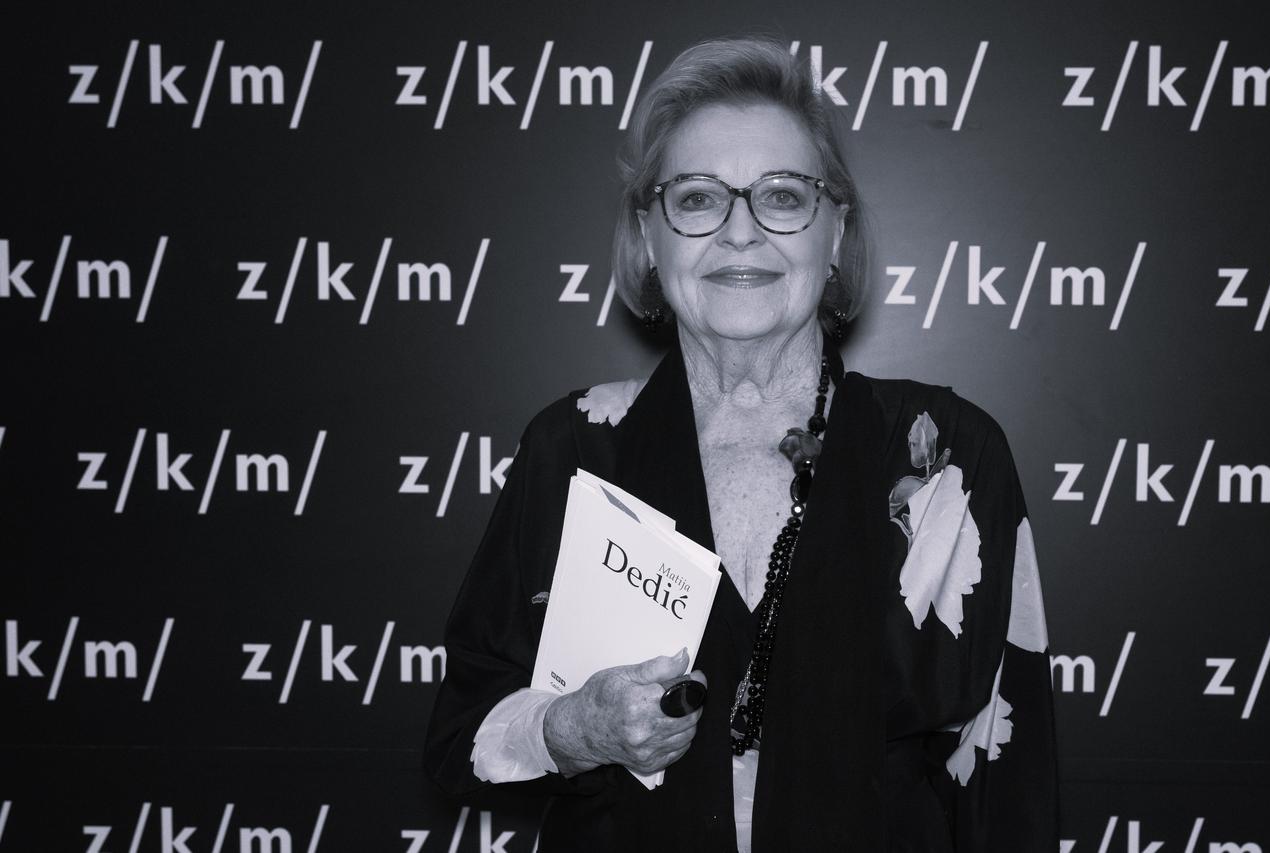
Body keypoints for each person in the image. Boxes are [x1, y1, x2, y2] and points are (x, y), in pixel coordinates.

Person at [424, 36, 1058, 852]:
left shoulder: (947, 461)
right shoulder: (572, 449)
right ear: (648, 238)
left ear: (836, 234)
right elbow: (460, 738)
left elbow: (1010, 785)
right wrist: (573, 727)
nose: (740, 232)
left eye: (782, 196)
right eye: (697, 199)